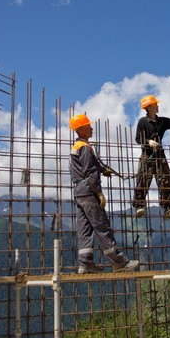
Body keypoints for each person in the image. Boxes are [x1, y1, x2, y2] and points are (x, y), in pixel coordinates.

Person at [69, 114, 139, 274]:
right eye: (88, 126)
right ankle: (119, 262)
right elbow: (90, 172)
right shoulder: (85, 147)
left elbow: (87, 167)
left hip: (79, 192)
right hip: (88, 191)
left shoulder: (77, 147)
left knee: (84, 229)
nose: (91, 128)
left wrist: (103, 169)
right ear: (81, 129)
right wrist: (99, 193)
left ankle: (85, 264)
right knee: (102, 227)